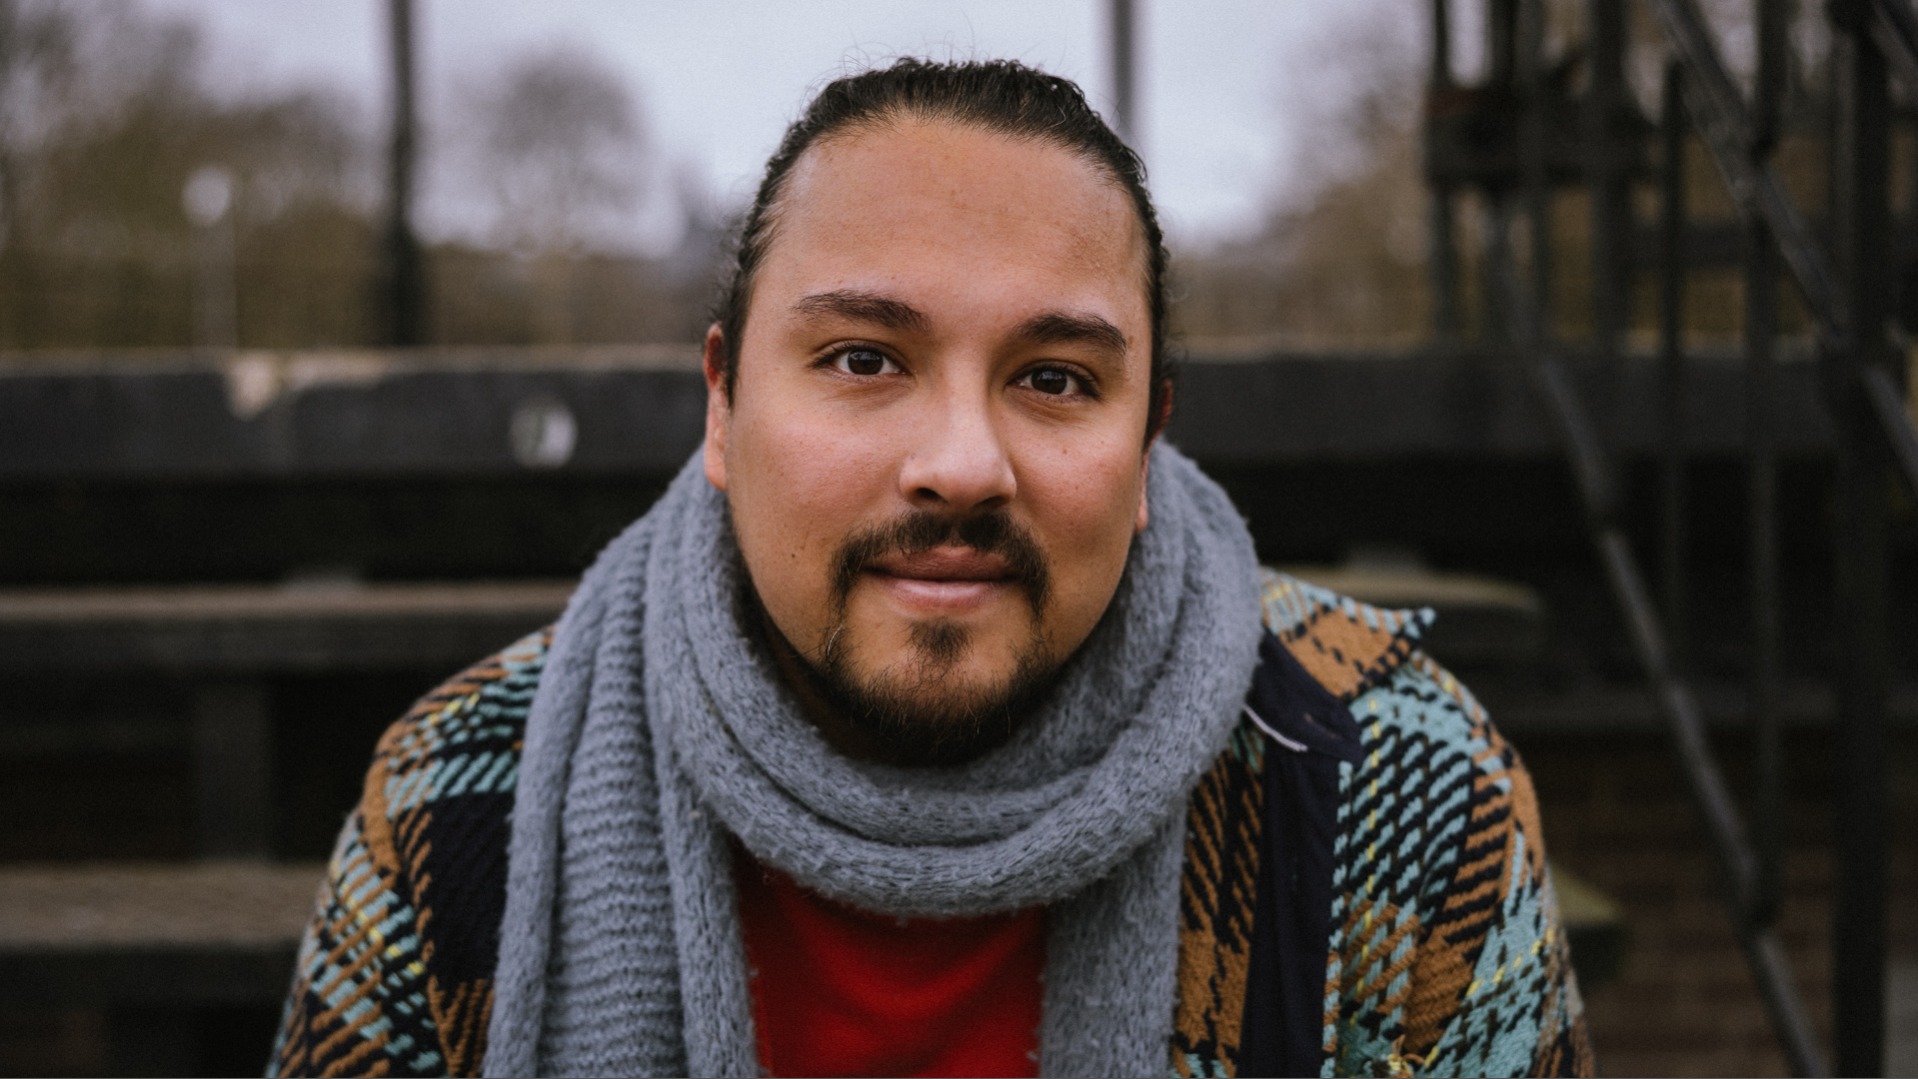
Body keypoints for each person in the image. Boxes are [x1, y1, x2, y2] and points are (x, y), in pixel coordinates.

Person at [268, 59, 1592, 1079]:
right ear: (722, 406)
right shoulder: (457, 800)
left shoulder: (1396, 784)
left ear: (1147, 443)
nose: (962, 465)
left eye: (1055, 379)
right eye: (862, 359)